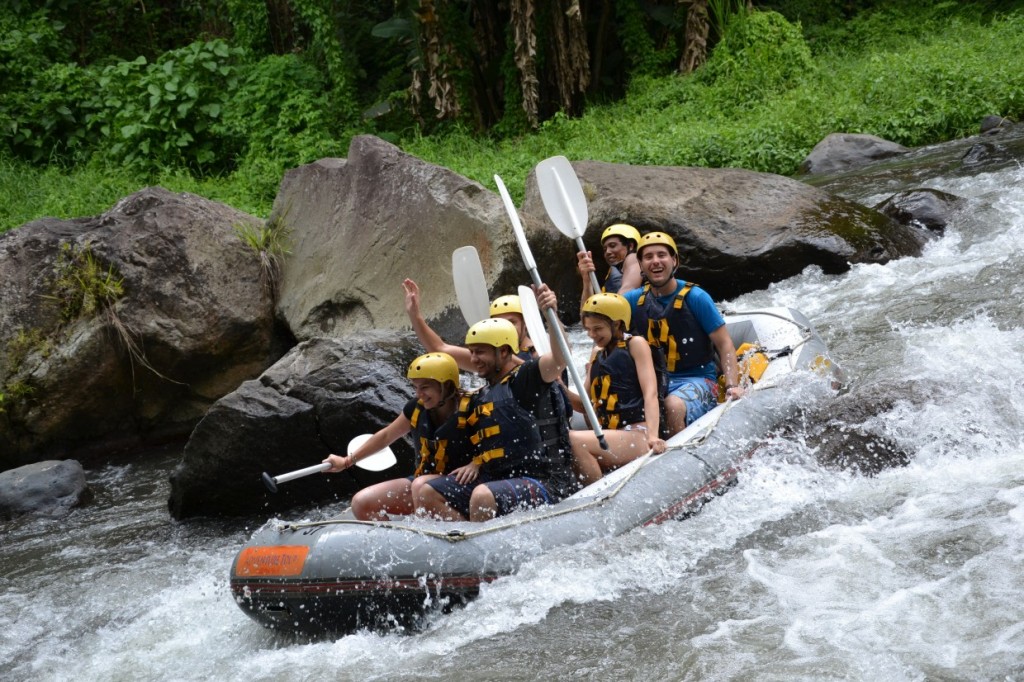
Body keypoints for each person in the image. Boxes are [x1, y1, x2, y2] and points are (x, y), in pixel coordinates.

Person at [416, 287, 578, 521]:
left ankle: (481, 546)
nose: (473, 360)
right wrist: (475, 462)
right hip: (497, 477)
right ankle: (466, 541)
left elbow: (559, 360)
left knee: (483, 495)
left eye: (480, 352)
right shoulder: (485, 392)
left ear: (503, 352)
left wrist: (550, 314)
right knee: (427, 492)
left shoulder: (526, 378)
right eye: (471, 352)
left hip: (545, 481)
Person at [588, 231, 745, 437]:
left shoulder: (696, 297)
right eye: (648, 257)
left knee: (672, 406)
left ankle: (679, 454)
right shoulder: (634, 301)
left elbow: (724, 344)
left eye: (661, 255)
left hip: (699, 379)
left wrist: (733, 385)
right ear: (641, 266)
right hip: (655, 382)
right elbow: (596, 318)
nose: (655, 261)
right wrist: (585, 279)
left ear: (674, 260)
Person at [321, 352, 472, 520]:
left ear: (447, 386)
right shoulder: (416, 408)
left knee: (422, 487)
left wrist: (476, 464)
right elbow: (386, 436)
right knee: (361, 502)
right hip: (423, 484)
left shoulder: (474, 408)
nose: (419, 394)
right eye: (416, 387)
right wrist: (347, 461)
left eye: (425, 387)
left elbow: (499, 445)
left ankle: (463, 535)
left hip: (464, 486)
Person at [568, 293, 667, 485]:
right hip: (610, 435)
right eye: (588, 329)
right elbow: (583, 405)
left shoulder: (636, 344)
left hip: (639, 433)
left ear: (617, 324)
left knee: (574, 440)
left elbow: (651, 393)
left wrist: (653, 436)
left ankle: (598, 495)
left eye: (598, 329)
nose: (592, 335)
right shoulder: (597, 353)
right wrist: (559, 386)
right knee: (567, 439)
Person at [577, 223, 643, 305]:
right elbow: (586, 312)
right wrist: (587, 281)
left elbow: (629, 288)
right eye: (605, 249)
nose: (607, 252)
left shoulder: (633, 257)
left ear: (630, 246)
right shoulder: (612, 273)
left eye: (612, 246)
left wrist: (606, 313)